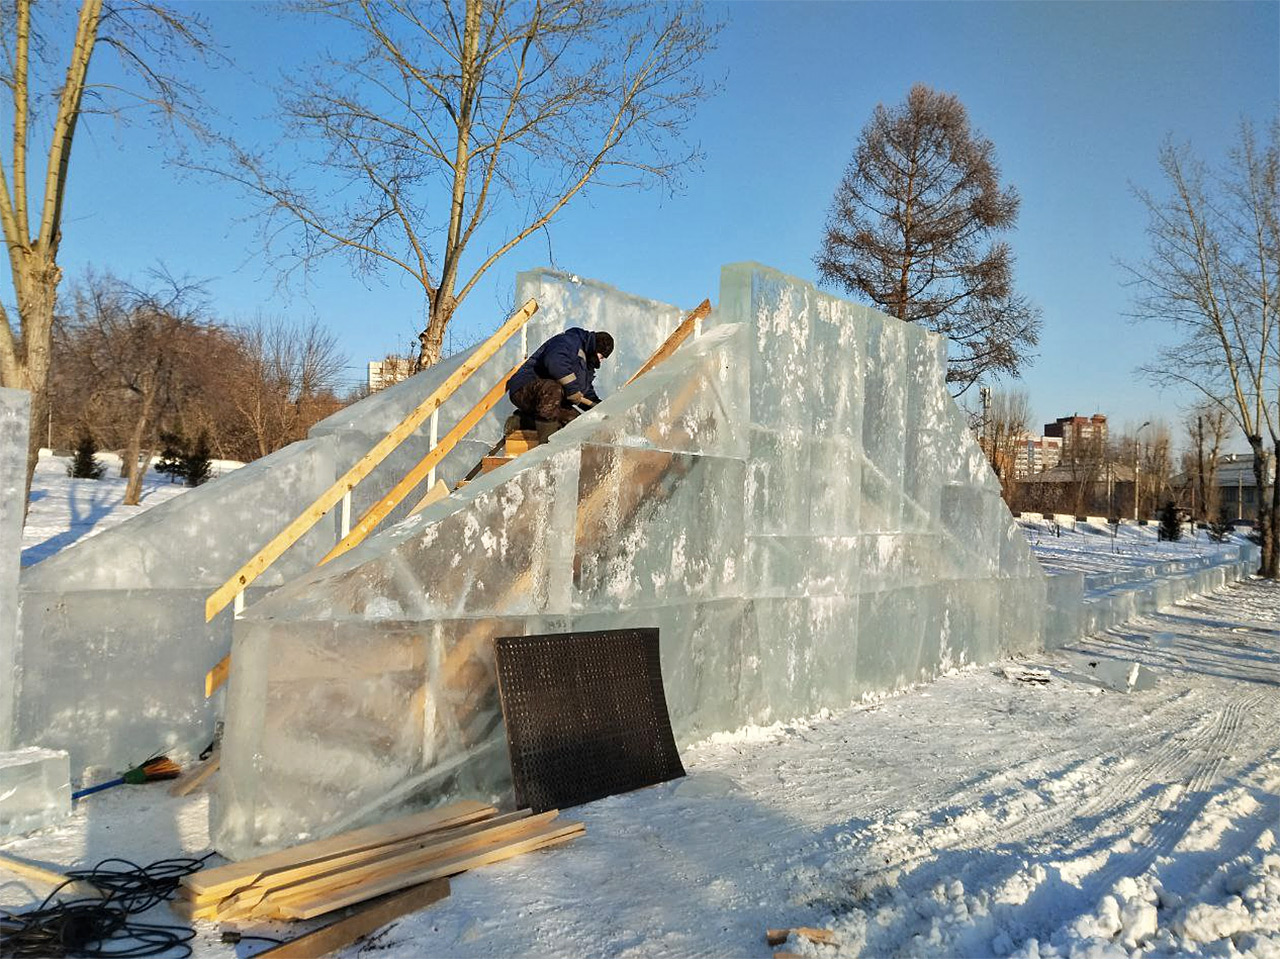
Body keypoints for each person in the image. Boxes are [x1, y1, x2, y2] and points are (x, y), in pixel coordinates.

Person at [506, 328, 614, 435]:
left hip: (548, 401)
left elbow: (584, 393)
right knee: (552, 389)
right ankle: (547, 444)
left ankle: (522, 420)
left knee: (576, 424)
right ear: (596, 348)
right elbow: (554, 361)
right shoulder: (569, 341)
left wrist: (600, 407)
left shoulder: (586, 366)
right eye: (602, 356)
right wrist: (572, 389)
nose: (601, 361)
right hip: (525, 388)